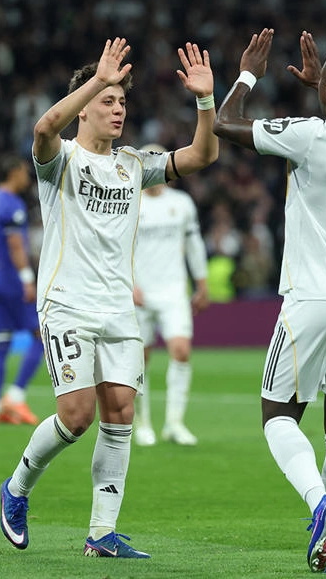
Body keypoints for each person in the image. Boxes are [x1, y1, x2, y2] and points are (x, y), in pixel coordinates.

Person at [0, 37, 219, 559]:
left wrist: (205, 101)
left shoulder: (134, 165)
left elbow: (203, 154)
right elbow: (43, 129)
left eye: (122, 101)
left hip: (119, 309)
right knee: (76, 417)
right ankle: (17, 487)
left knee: (120, 414)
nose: (118, 109)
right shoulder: (60, 160)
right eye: (107, 100)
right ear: (85, 106)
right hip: (67, 305)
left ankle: (101, 533)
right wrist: (97, 78)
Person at [213, 29, 326, 573]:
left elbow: (225, 123)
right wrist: (323, 88)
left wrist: (247, 75)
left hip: (315, 297)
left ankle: (319, 505)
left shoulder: (311, 136)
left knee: (277, 416)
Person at [132, 143, 209, 447]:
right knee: (140, 359)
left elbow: (194, 244)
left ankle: (175, 423)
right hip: (138, 292)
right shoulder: (130, 201)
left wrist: (202, 283)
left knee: (181, 351)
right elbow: (116, 248)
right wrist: (128, 283)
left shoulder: (182, 203)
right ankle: (142, 423)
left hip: (174, 291)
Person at [0, 155, 45, 426]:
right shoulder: (12, 204)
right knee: (42, 335)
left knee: (1, 342)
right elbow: (16, 245)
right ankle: (15, 397)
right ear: (13, 172)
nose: (27, 178)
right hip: (10, 281)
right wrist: (27, 279)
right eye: (24, 172)